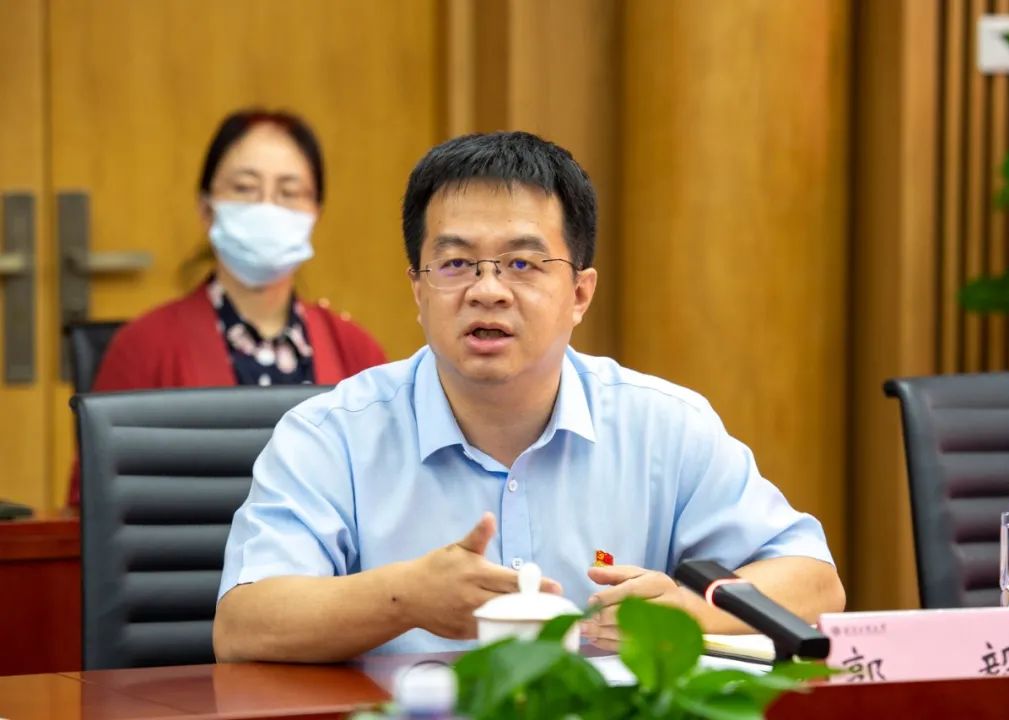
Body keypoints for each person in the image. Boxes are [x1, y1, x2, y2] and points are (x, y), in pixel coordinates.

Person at [213, 131, 845, 662]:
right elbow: (243, 626)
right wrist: (405, 598)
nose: (487, 291)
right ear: (418, 291)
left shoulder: (664, 426)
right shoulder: (330, 435)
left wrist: (683, 612)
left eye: (521, 264)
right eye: (455, 264)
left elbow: (814, 584)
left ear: (580, 294)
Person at [69, 109, 386, 505]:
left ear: (315, 214)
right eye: (244, 188)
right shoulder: (144, 347)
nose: (267, 208)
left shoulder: (355, 351)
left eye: (289, 193)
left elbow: (388, 494)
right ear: (207, 208)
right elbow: (93, 507)